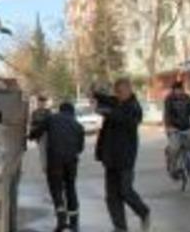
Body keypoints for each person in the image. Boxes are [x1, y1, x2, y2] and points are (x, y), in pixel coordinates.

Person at [94, 78, 151, 232]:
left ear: (129, 90)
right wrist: (94, 92)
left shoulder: (134, 107)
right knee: (111, 196)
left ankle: (143, 211)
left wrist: (106, 112)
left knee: (125, 191)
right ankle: (120, 227)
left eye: (120, 92)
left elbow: (123, 119)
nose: (118, 95)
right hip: (110, 158)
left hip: (125, 158)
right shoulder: (116, 102)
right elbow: (104, 99)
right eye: (116, 92)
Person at [31, 102, 85, 232]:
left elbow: (37, 132)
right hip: (71, 161)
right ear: (72, 112)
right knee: (70, 188)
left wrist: (31, 135)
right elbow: (80, 148)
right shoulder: (78, 125)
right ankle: (74, 223)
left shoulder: (52, 119)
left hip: (55, 160)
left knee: (56, 189)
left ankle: (61, 219)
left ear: (60, 110)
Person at [163, 80, 190, 178]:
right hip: (174, 128)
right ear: (173, 90)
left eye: (181, 89)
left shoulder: (187, 98)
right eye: (177, 90)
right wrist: (169, 127)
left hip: (187, 127)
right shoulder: (169, 99)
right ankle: (174, 169)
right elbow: (167, 114)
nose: (179, 92)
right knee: (175, 148)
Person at [29, 95, 51, 173]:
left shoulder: (48, 112)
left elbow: (51, 123)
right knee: (42, 151)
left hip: (48, 134)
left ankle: (48, 165)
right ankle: (44, 167)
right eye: (40, 102)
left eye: (43, 102)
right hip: (40, 134)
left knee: (49, 151)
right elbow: (32, 124)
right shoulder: (35, 113)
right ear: (38, 103)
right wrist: (32, 134)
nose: (42, 104)